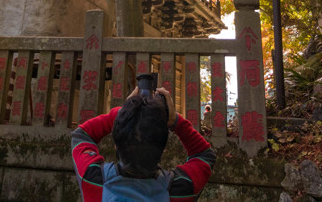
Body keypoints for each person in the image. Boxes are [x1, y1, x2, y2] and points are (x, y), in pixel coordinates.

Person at [71, 86, 216, 201]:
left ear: (116, 145)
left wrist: (124, 113)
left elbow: (82, 135)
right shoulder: (180, 190)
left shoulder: (93, 178)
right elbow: (204, 155)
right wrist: (176, 122)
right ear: (163, 149)